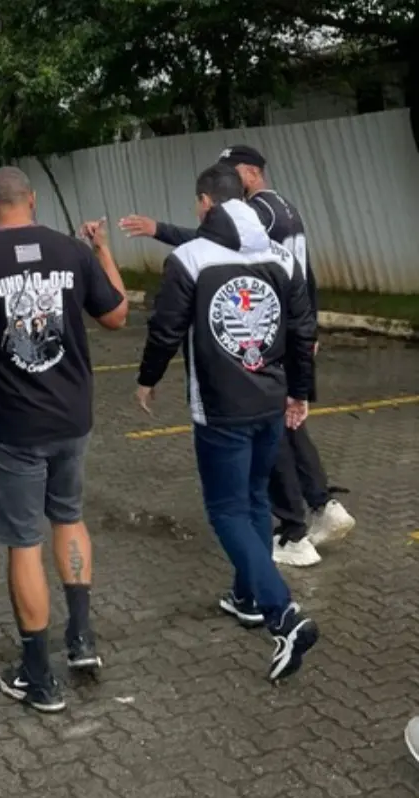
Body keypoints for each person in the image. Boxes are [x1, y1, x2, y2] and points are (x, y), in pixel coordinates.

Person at [0, 166, 129, 713]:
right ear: (33, 201)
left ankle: (38, 676)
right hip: (72, 420)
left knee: (25, 544)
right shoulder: (71, 252)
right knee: (69, 518)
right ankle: (82, 639)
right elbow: (116, 312)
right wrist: (104, 249)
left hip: (15, 428)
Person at [119, 144, 354, 568]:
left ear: (248, 173)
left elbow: (207, 246)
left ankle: (290, 531)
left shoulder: (254, 215)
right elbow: (303, 272)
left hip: (260, 339)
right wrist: (309, 324)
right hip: (285, 333)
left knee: (269, 439)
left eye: (230, 173)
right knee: (288, 420)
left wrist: (160, 230)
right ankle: (320, 504)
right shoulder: (284, 206)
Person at [134, 162, 319, 682]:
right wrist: (299, 393)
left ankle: (283, 614)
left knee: (226, 510)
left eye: (196, 204)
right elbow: (303, 328)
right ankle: (246, 595)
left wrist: (147, 379)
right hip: (270, 400)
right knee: (256, 498)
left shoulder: (190, 259)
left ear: (206, 203)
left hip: (220, 409)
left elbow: (166, 328)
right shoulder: (279, 256)